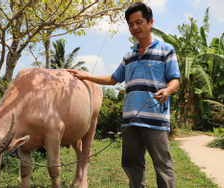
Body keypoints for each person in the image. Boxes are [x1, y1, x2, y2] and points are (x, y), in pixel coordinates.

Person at [67, 2, 180, 188]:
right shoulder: (129, 56)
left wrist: (168, 90)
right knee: (132, 165)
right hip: (130, 121)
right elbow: (113, 79)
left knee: (162, 164)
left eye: (139, 22)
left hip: (155, 119)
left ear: (150, 22)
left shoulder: (166, 50)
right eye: (130, 24)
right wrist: (87, 76)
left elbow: (175, 78)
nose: (134, 27)